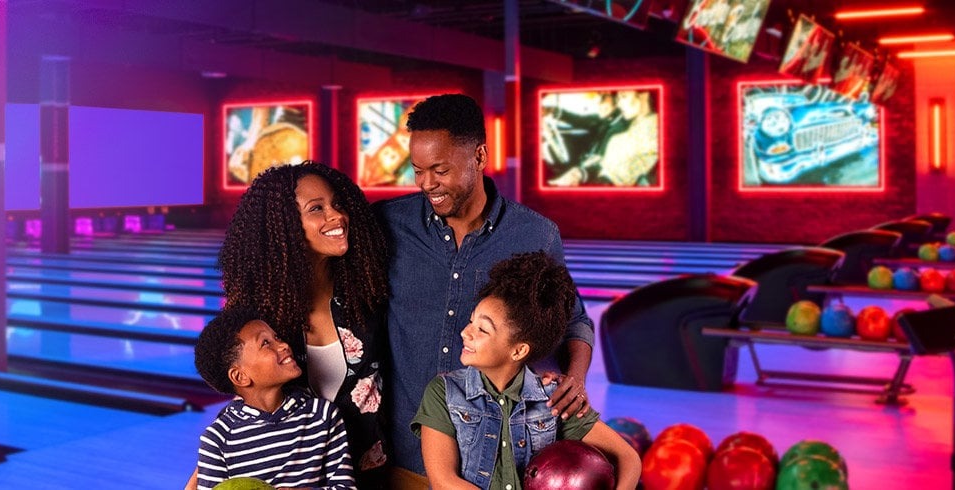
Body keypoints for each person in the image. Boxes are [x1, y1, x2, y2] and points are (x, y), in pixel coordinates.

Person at [376, 94, 596, 484]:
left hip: (494, 463)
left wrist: (575, 379)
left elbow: (573, 321)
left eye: (440, 170)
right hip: (403, 457)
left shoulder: (535, 235)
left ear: (479, 156)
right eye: (418, 170)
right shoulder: (388, 225)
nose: (427, 183)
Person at [218, 162, 392, 488]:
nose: (337, 216)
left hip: (373, 476)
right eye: (317, 209)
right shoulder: (258, 318)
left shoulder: (368, 292)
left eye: (337, 204)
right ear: (283, 227)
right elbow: (244, 404)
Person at [412, 252, 641, 489]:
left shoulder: (553, 398)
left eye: (482, 330)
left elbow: (628, 458)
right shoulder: (444, 392)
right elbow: (443, 481)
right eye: (471, 322)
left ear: (519, 351)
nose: (465, 333)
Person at [191, 307, 356, 489]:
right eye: (266, 343)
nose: (284, 345)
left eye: (277, 337)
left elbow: (345, 487)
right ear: (240, 376)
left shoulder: (322, 415)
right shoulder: (218, 438)